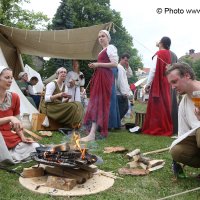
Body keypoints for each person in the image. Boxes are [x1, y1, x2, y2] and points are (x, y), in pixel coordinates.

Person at [81, 30, 119, 142]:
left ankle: (92, 134)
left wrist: (98, 64)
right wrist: (96, 66)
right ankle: (93, 132)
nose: (101, 38)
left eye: (103, 36)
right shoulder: (102, 51)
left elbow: (115, 64)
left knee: (99, 103)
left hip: (105, 78)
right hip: (100, 77)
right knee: (96, 103)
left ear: (108, 38)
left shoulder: (111, 47)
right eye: (99, 37)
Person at [0, 67, 39, 164]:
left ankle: (8, 154)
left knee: (35, 147)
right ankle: (7, 154)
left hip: (8, 136)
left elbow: (17, 122)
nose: (10, 80)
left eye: (11, 78)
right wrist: (10, 117)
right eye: (7, 77)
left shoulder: (14, 97)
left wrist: (22, 137)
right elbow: (13, 118)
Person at [166, 62, 200, 169]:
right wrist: (179, 162)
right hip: (196, 140)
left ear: (187, 76)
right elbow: (183, 133)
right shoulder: (183, 103)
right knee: (177, 151)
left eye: (174, 82)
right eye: (171, 84)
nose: (173, 87)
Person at [142, 36, 173, 136]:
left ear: (162, 43)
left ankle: (156, 128)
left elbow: (153, 70)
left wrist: (148, 84)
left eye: (160, 41)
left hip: (158, 82)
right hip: (165, 82)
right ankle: (165, 127)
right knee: (164, 105)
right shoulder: (168, 54)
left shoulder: (159, 54)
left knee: (157, 105)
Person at [116, 53, 133, 120]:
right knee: (123, 109)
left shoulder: (122, 68)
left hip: (122, 93)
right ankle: (116, 123)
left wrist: (128, 67)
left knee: (124, 108)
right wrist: (124, 93)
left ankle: (117, 123)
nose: (126, 62)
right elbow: (120, 81)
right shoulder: (119, 67)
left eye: (127, 61)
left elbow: (130, 75)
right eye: (125, 60)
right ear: (121, 59)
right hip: (120, 93)